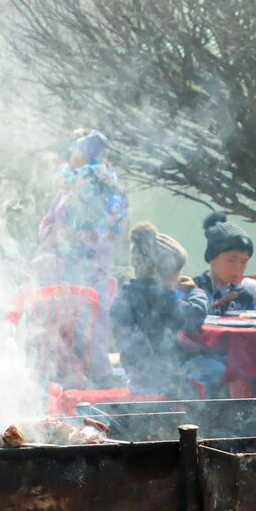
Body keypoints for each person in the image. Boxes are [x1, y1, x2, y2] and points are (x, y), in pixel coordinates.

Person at [38, 129, 128, 378]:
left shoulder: (95, 187)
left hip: (85, 268)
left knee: (87, 321)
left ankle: (94, 375)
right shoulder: (73, 187)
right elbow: (50, 225)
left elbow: (94, 232)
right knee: (70, 323)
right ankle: (74, 374)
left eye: (76, 151)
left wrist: (62, 234)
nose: (71, 155)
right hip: (69, 267)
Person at [111, 223, 211, 396]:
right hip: (164, 380)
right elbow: (192, 316)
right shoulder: (161, 298)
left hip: (137, 378)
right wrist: (195, 291)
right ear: (164, 271)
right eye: (177, 271)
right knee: (215, 368)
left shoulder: (126, 294)